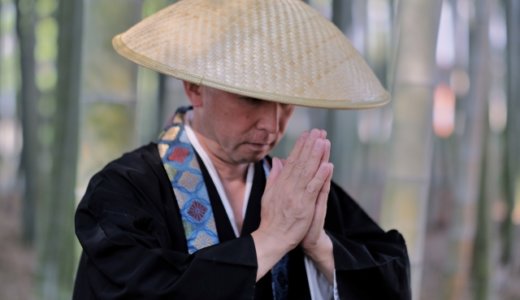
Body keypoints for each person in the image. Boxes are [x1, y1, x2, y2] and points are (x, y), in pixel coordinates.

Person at [73, 0, 411, 299]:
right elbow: (132, 288)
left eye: (286, 103)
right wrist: (270, 240)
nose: (273, 124)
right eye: (252, 98)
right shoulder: (124, 190)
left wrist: (318, 245)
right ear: (195, 86)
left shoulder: (296, 194)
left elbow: (390, 274)